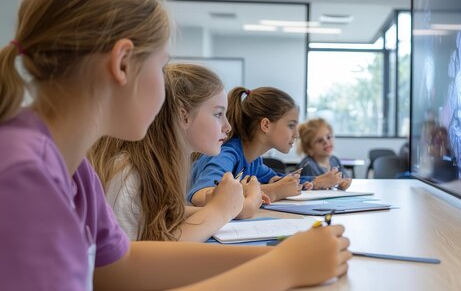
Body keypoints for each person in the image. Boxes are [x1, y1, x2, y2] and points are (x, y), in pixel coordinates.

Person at [0, 0, 350, 290]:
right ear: (123, 64)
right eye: (160, 65)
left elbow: (119, 267)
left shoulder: (72, 167)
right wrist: (282, 270)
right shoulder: (23, 176)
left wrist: (278, 257)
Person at [89, 63, 267, 242]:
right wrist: (219, 211)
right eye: (218, 114)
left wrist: (222, 205)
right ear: (184, 116)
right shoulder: (127, 177)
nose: (227, 127)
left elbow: (166, 215)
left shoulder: (162, 166)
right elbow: (141, 260)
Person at [188, 87, 342, 205]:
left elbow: (281, 181)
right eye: (291, 125)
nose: (296, 134)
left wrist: (317, 181)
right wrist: (272, 191)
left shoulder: (253, 160)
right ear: (266, 125)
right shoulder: (227, 154)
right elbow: (199, 195)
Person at [296, 118, 352, 190]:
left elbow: (343, 179)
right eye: (319, 140)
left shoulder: (335, 160)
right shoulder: (308, 165)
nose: (326, 142)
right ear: (309, 147)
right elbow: (306, 190)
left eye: (328, 137)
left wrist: (343, 183)